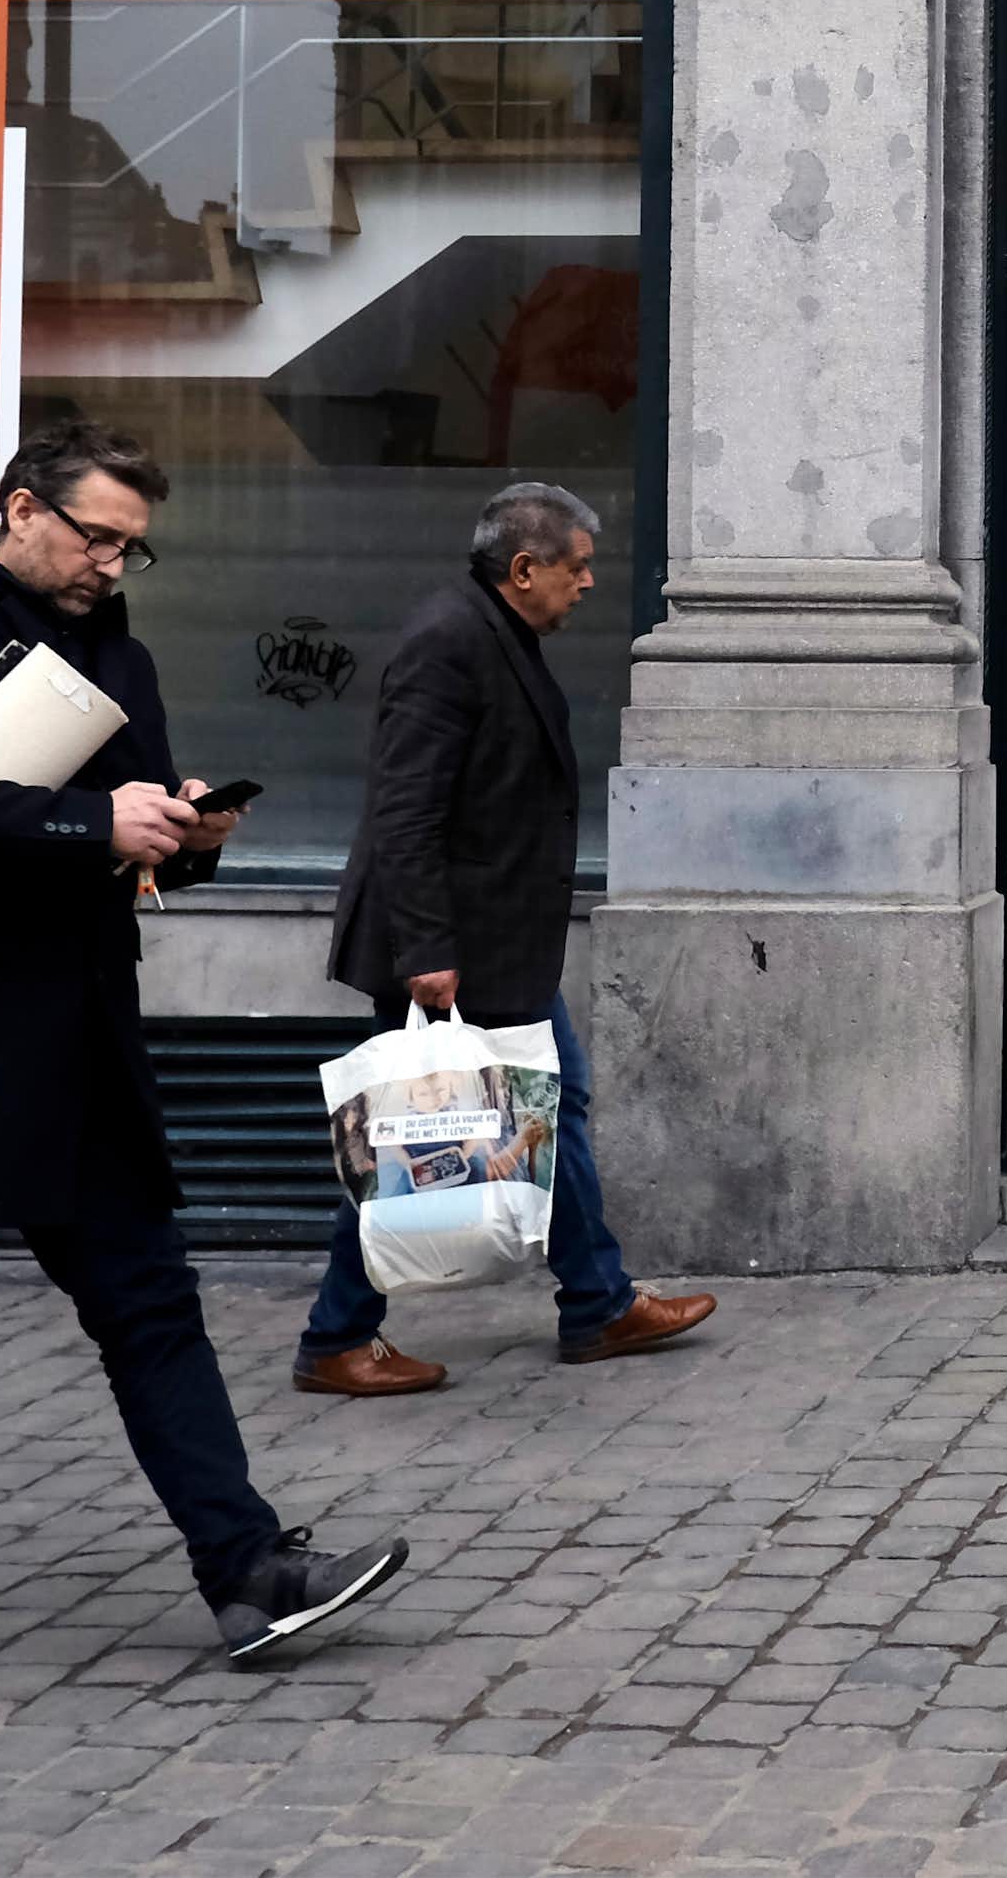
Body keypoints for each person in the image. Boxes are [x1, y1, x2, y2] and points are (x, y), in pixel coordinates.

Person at [0, 422, 409, 1692]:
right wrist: (89, 818)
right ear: (17, 508)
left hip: (77, 1047)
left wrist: (180, 828)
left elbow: (127, 830)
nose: (110, 562)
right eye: (95, 535)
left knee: (151, 1307)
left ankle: (249, 1574)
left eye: (130, 547)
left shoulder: (119, 655)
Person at [295, 481, 714, 1391]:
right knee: (407, 1129)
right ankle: (337, 1334)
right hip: (457, 948)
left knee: (548, 1108)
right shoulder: (449, 641)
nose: (590, 583)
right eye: (578, 567)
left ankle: (598, 1301)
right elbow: (405, 811)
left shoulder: (492, 630)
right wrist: (428, 951)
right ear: (523, 569)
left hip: (493, 940)